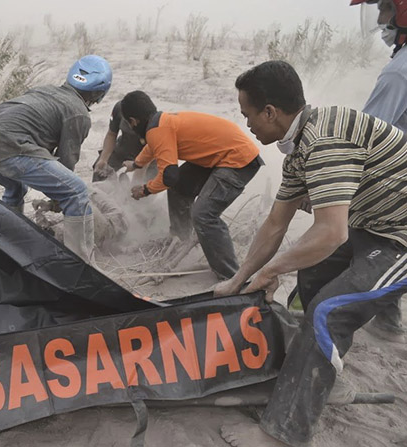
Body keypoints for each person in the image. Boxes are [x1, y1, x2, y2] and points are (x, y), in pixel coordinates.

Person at [215, 60, 407, 447]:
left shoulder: (324, 143)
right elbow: (275, 224)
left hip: (399, 239)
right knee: (312, 277)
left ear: (270, 112)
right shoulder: (301, 148)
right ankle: (321, 372)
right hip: (374, 225)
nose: (247, 125)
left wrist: (271, 272)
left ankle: (284, 434)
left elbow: (330, 233)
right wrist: (240, 279)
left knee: (328, 310)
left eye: (248, 115)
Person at [0, 55, 112, 262]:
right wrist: (58, 199)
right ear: (100, 92)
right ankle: (82, 265)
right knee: (77, 192)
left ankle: (8, 248)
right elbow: (67, 161)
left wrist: (55, 196)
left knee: (15, 188)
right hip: (11, 143)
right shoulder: (78, 113)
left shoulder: (45, 89)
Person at [120, 91, 262, 280]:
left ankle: (230, 277)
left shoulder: (156, 130)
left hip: (237, 160)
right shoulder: (161, 122)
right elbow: (153, 148)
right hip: (219, 156)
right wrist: (136, 164)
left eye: (130, 124)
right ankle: (181, 238)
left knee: (203, 214)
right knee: (180, 188)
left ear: (133, 121)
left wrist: (145, 190)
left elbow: (169, 176)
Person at [350, 0, 407, 340]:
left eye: (384, 9)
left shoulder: (397, 73)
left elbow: (368, 134)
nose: (380, 18)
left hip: (396, 180)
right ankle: (387, 318)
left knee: (361, 235)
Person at [92, 99, 156, 182]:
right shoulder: (119, 108)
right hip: (124, 147)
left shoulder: (153, 121)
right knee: (100, 171)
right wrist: (103, 159)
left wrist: (135, 184)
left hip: (150, 157)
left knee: (146, 186)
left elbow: (148, 157)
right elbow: (111, 134)